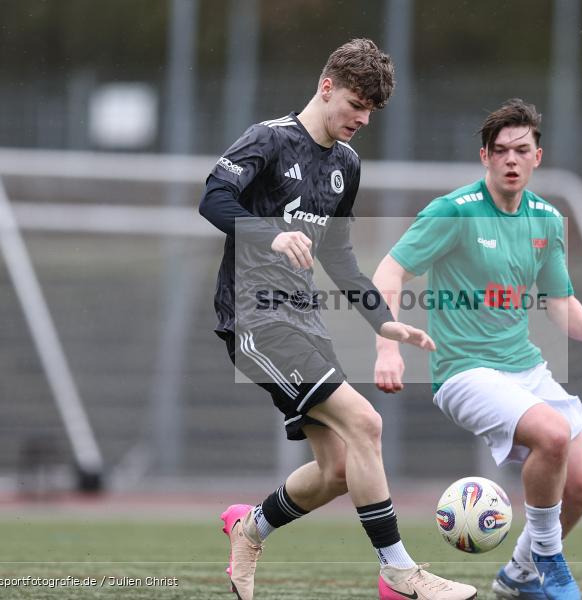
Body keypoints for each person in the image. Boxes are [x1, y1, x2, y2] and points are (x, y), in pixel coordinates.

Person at [199, 38, 477, 600]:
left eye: (371, 111)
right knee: (366, 423)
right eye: (356, 104)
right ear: (327, 87)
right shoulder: (270, 139)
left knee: (338, 470)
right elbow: (213, 198)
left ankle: (250, 528)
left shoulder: (346, 165)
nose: (362, 119)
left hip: (304, 321)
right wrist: (271, 234)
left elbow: (340, 258)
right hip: (255, 317)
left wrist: (383, 323)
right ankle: (398, 572)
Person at [372, 98, 582, 600]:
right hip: (463, 372)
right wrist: (388, 349)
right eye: (501, 151)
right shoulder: (454, 212)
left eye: (522, 150)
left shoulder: (546, 219)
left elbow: (560, 304)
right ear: (485, 157)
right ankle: (549, 559)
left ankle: (517, 576)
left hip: (525, 368)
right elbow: (388, 273)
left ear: (538, 156)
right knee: (553, 434)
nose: (511, 159)